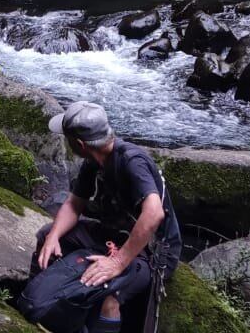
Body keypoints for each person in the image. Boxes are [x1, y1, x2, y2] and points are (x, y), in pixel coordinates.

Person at [32, 101, 183, 333]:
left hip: (153, 251)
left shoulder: (132, 161)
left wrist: (117, 262)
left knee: (108, 295)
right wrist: (53, 236)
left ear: (80, 144)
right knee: (47, 238)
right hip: (114, 233)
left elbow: (153, 214)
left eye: (67, 137)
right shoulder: (93, 161)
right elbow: (74, 204)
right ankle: (36, 307)